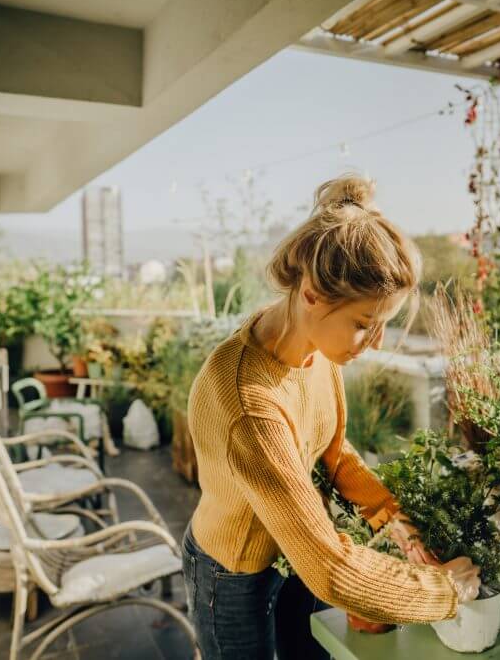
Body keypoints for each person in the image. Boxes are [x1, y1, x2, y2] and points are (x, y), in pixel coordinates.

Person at [181, 175, 481, 659]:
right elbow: (330, 568)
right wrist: (442, 592)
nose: (377, 342)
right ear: (313, 294)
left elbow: (335, 452)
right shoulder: (247, 399)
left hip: (294, 548)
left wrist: (392, 519)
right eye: (365, 324)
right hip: (233, 571)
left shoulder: (315, 349)